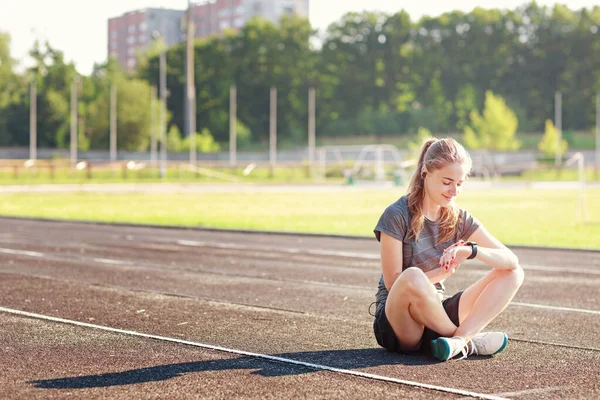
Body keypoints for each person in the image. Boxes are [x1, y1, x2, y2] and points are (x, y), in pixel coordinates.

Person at [372, 137, 524, 361]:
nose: (454, 190)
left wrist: (472, 251)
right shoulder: (397, 214)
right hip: (398, 322)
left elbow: (511, 260)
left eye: (460, 184)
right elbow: (394, 283)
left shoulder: (460, 218)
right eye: (447, 182)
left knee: (514, 273)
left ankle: (458, 342)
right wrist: (438, 275)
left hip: (435, 314)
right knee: (411, 276)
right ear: (425, 173)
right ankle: (468, 341)